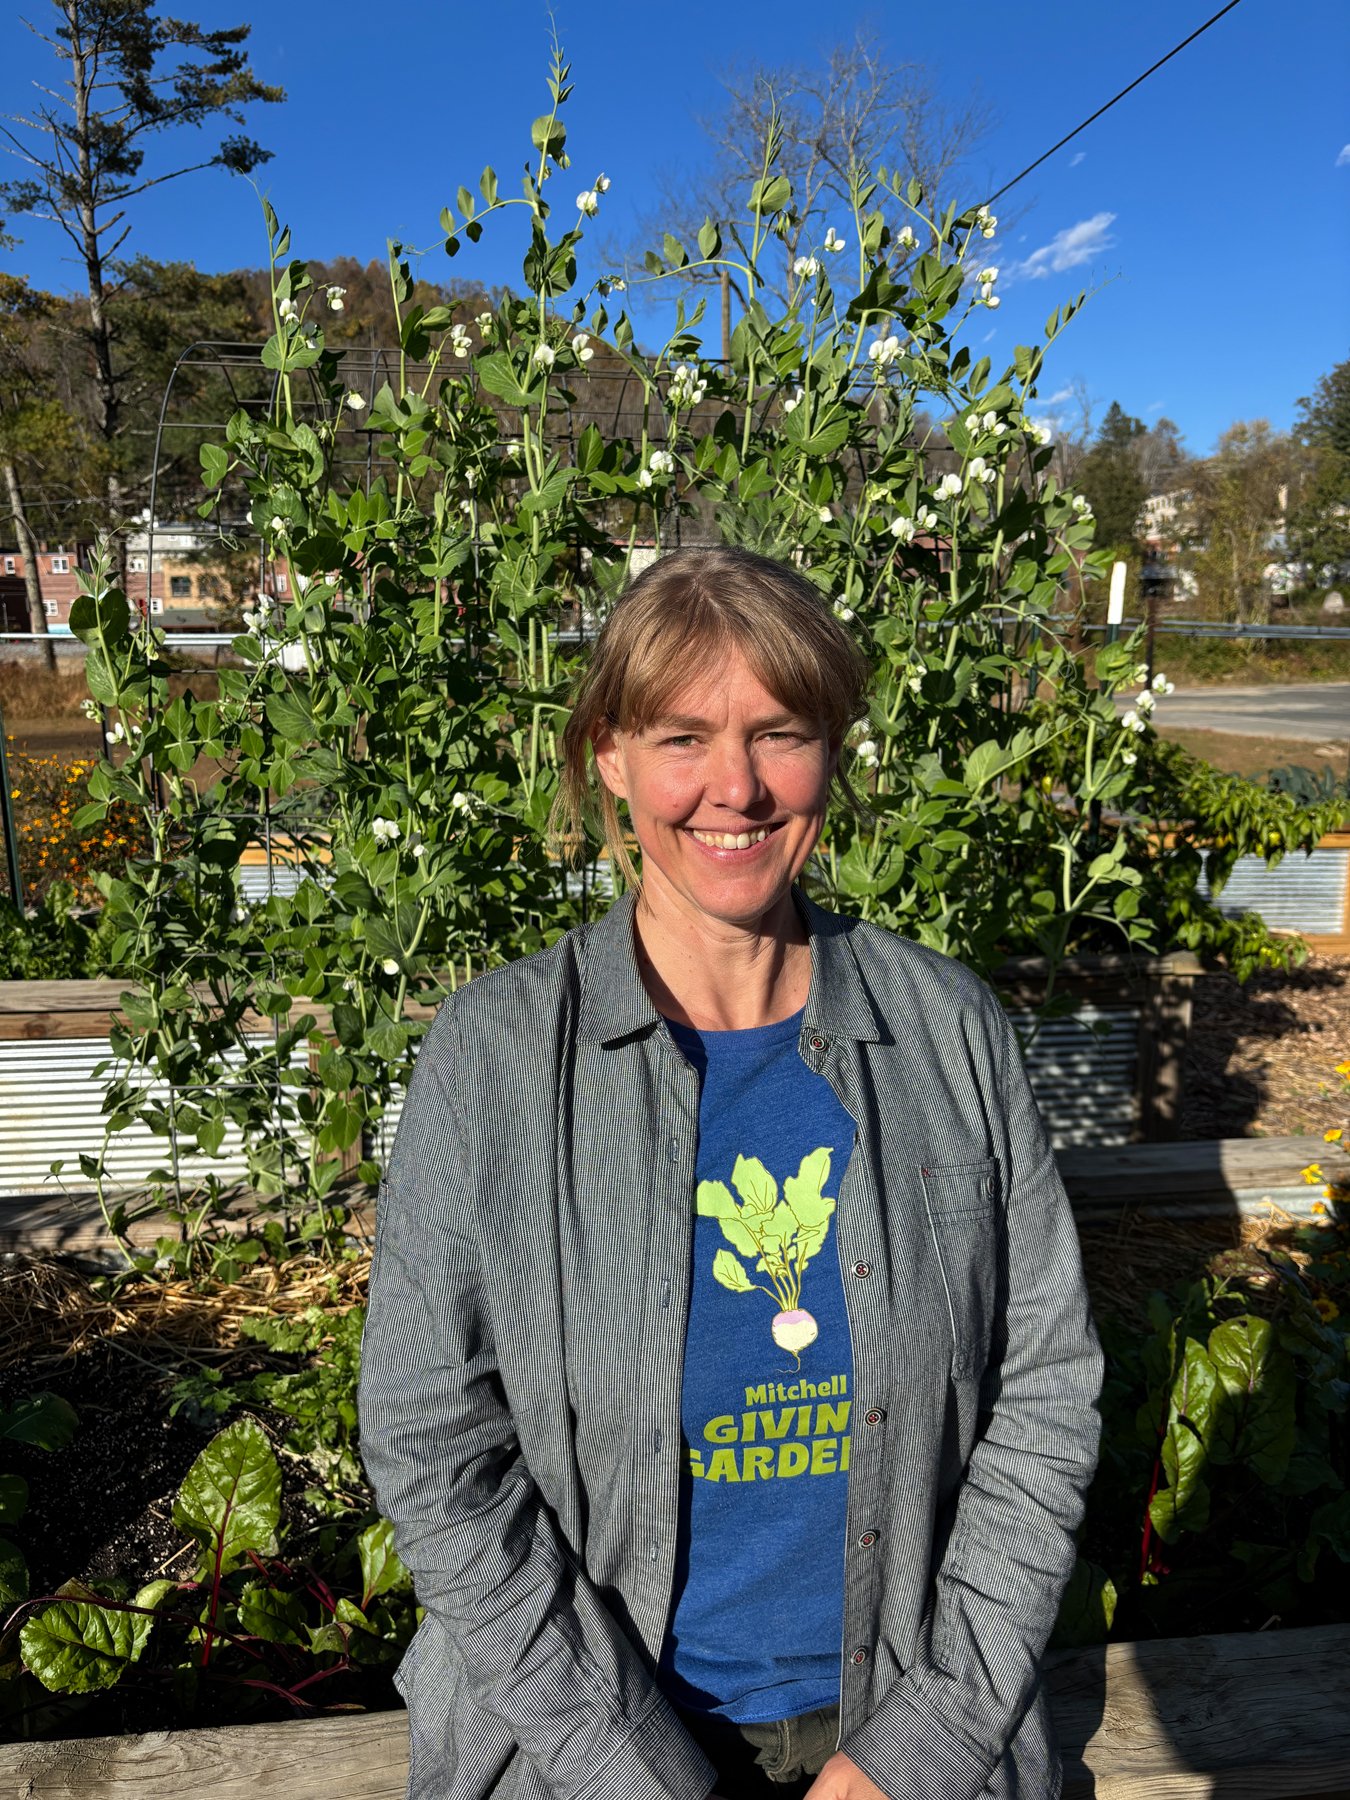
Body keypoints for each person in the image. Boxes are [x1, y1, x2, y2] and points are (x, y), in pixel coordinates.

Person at [358, 545, 1103, 1800]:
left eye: (781, 733)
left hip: (912, 1727)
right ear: (609, 754)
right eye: (682, 736)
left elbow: (1047, 1391)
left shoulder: (947, 1030)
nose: (736, 789)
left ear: (833, 753)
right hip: (581, 1748)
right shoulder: (493, 1059)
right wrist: (626, 1763)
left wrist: (914, 1748)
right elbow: (433, 1443)